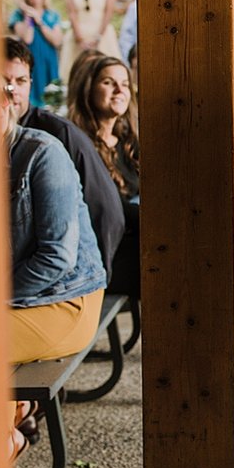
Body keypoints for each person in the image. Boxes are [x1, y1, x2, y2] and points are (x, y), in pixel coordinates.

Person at [3, 74, 106, 459]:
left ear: (6, 105)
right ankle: (11, 419)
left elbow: (56, 258)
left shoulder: (41, 154)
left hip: (65, 300)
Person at [2, 37, 124, 282]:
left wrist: (95, 278)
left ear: (31, 84)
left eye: (21, 81)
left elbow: (107, 211)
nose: (12, 90)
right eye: (4, 81)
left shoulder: (55, 137)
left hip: (62, 277)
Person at [69, 54, 140, 298]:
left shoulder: (129, 143)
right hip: (107, 252)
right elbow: (109, 207)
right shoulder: (78, 146)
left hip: (137, 239)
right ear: (89, 89)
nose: (119, 89)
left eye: (124, 83)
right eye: (108, 82)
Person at [9, 0, 63, 107]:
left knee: (51, 100)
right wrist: (28, 14)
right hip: (29, 64)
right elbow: (27, 38)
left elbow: (57, 41)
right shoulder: (18, 16)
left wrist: (39, 20)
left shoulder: (52, 15)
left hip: (48, 64)